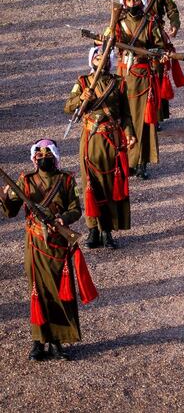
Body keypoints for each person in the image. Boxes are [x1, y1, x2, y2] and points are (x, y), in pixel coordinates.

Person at [0, 139, 95, 361]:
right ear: (35, 159)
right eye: (40, 158)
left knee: (60, 293)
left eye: (48, 158)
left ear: (55, 158)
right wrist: (4, 196)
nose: (44, 161)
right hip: (34, 245)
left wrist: (62, 219)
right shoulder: (25, 180)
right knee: (38, 293)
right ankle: (37, 342)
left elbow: (76, 209)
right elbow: (10, 212)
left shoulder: (68, 180)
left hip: (58, 245)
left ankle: (57, 341)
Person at [64, 46, 137, 248]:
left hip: (112, 140)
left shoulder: (118, 83)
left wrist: (130, 134)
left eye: (104, 57)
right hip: (91, 139)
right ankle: (93, 231)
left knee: (109, 185)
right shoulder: (82, 82)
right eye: (97, 56)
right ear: (92, 60)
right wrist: (81, 98)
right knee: (90, 185)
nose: (100, 59)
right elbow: (68, 107)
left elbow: (126, 114)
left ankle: (107, 231)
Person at [113, 0, 167, 179]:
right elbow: (108, 46)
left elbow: (161, 47)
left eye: (136, 0)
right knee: (123, 120)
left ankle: (142, 162)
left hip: (144, 78)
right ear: (124, 2)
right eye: (129, 1)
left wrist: (151, 53)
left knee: (143, 122)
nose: (133, 4)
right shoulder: (117, 23)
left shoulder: (150, 23)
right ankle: (127, 162)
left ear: (142, 1)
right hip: (124, 77)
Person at [131, 0, 184, 125]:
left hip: (156, 35)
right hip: (137, 33)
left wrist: (174, 24)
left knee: (157, 72)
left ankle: (158, 115)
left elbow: (171, 9)